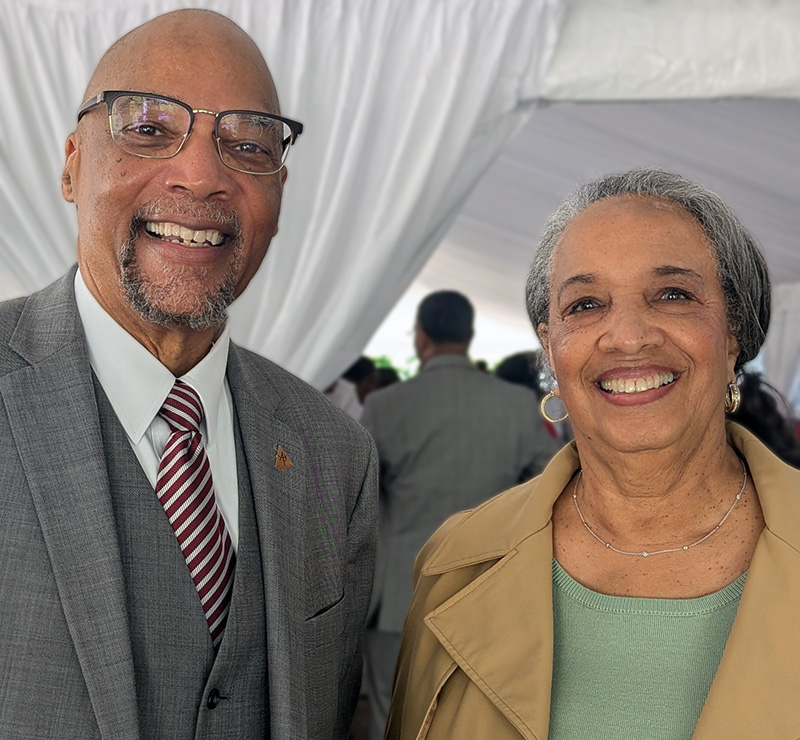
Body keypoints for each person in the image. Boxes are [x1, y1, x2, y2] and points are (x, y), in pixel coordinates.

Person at [0, 10, 377, 740]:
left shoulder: (335, 454)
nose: (202, 175)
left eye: (246, 144)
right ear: (73, 163)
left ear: (280, 189)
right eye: (147, 130)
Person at [387, 169, 800, 739]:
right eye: (585, 305)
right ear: (550, 350)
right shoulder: (458, 565)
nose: (628, 336)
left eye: (673, 294)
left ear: (734, 334)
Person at [361, 290, 559, 740]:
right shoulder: (513, 405)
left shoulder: (386, 407)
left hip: (400, 594)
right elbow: (551, 483)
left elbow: (355, 499)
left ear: (421, 339)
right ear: (469, 337)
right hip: (494, 590)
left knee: (393, 718)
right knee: (483, 720)